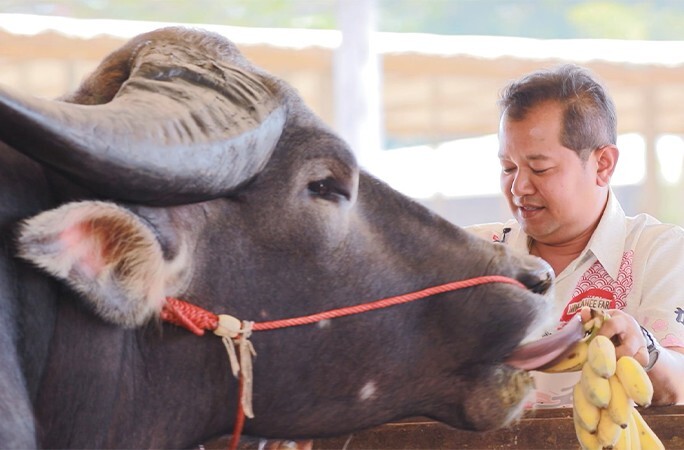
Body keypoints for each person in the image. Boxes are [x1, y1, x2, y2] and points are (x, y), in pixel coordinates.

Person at [467, 64, 684, 408]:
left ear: (603, 165)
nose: (519, 187)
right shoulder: (470, 255)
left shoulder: (661, 253)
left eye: (540, 168)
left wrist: (646, 349)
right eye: (508, 168)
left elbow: (680, 385)